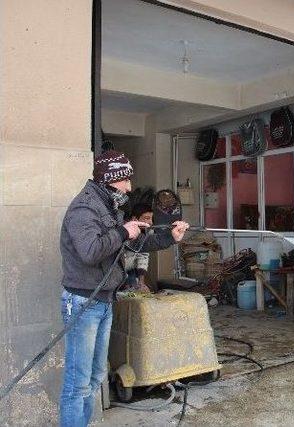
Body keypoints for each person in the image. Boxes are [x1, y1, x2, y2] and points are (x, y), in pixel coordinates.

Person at [58, 150, 189, 427]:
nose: (129, 187)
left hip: (104, 301)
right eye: (125, 180)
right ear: (111, 179)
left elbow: (132, 245)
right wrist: (122, 231)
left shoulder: (107, 207)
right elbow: (90, 251)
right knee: (78, 384)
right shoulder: (84, 208)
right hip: (83, 303)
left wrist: (170, 238)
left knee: (94, 378)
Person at [122, 203, 153, 292]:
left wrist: (141, 282)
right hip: (115, 269)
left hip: (130, 269)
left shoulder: (147, 232)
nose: (151, 222)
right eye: (147, 218)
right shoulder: (124, 230)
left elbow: (143, 256)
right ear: (135, 219)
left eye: (151, 218)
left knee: (134, 292)